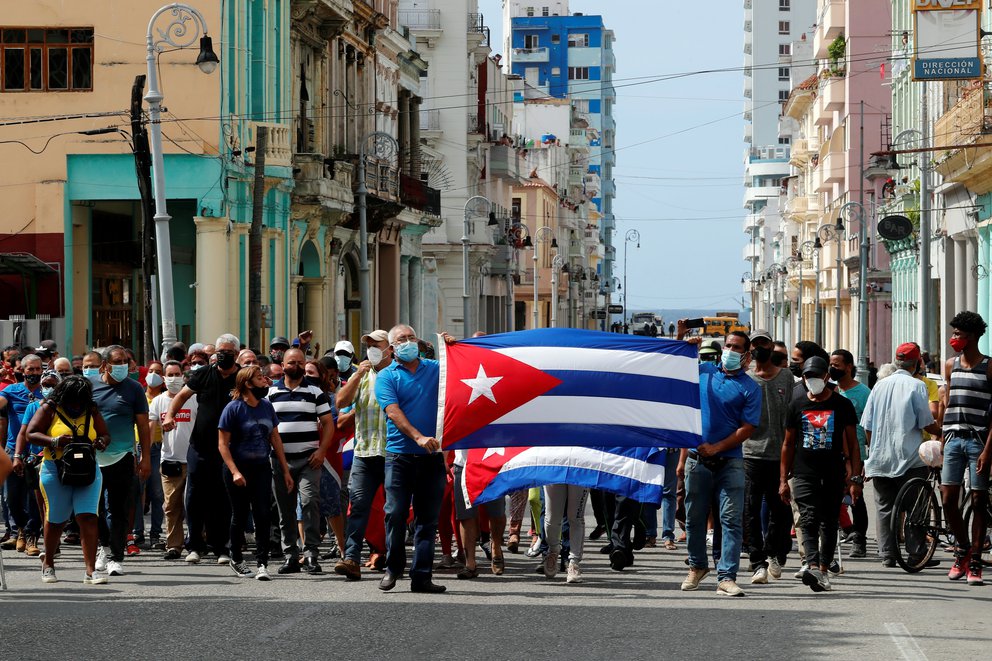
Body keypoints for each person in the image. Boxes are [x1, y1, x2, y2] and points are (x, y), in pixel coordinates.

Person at [677, 322, 761, 597]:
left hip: (730, 462)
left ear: (747, 355)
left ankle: (727, 576)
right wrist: (680, 339)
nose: (730, 351)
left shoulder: (750, 388)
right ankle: (697, 566)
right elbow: (671, 366)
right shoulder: (704, 372)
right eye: (728, 346)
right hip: (696, 459)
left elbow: (748, 428)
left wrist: (717, 447)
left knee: (730, 519)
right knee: (694, 517)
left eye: (737, 348)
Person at [374, 324, 449, 594]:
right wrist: (417, 436)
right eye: (401, 339)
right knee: (394, 514)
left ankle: (422, 576)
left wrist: (454, 348)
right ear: (392, 348)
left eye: (411, 337)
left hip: (432, 457)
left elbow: (462, 376)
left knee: (427, 519)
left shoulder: (436, 369)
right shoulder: (386, 376)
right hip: (400, 456)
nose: (408, 342)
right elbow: (393, 411)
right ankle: (393, 568)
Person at [779, 357, 863, 593]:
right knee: (807, 518)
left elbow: (853, 444)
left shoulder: (842, 405)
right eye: (808, 376)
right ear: (803, 378)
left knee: (828, 521)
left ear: (827, 377)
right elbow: (787, 444)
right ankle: (812, 564)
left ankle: (823, 570)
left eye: (817, 376)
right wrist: (783, 480)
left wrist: (855, 478)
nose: (812, 380)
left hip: (833, 473)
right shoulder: (796, 406)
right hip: (804, 473)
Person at [861, 343, 941, 569]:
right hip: (910, 460)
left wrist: (874, 449)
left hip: (881, 459)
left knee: (884, 507)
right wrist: (943, 433)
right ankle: (916, 553)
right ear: (917, 364)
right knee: (916, 507)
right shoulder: (917, 386)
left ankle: (887, 554)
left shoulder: (879, 386)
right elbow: (926, 423)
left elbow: (867, 425)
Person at [25, 375, 111, 584]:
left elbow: (105, 434)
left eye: (82, 401)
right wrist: (54, 440)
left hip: (88, 471)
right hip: (55, 470)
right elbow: (31, 433)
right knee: (56, 519)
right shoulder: (49, 408)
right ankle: (48, 564)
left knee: (88, 517)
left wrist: (101, 441)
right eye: (74, 400)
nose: (78, 405)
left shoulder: (91, 408)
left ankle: (91, 571)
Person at [164, 334, 240, 565]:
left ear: (236, 354)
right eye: (219, 352)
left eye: (227, 352)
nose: (222, 356)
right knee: (194, 497)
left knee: (223, 498)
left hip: (229, 449)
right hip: (200, 447)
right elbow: (182, 396)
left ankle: (221, 547)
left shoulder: (242, 378)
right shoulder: (203, 374)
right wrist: (169, 415)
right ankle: (194, 545)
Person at [218, 366, 294, 580]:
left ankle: (262, 563)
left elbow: (275, 439)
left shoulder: (267, 407)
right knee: (240, 515)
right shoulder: (233, 408)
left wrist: (285, 470)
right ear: (248, 383)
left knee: (263, 514)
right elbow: (222, 445)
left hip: (261, 467)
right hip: (238, 469)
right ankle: (236, 558)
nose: (265, 382)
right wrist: (234, 472)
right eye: (260, 378)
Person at [268, 348, 335, 575]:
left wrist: (322, 451)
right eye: (290, 362)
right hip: (280, 461)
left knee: (309, 502)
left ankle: (311, 555)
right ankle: (290, 556)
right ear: (283, 364)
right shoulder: (270, 393)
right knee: (284, 509)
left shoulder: (315, 392)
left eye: (298, 362)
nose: (294, 365)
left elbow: (328, 424)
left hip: (309, 460)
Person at [86, 346, 151, 577]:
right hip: (93, 459)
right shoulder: (90, 386)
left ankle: (116, 556)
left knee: (119, 509)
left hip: (123, 457)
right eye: (118, 361)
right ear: (104, 365)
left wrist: (145, 459)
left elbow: (143, 425)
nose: (123, 365)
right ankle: (102, 548)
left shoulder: (134, 389)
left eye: (125, 360)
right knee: (94, 510)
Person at [334, 330, 392, 580]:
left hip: (393, 454)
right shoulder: (362, 376)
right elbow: (340, 403)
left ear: (389, 348)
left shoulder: (396, 374)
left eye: (376, 345)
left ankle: (391, 555)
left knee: (394, 509)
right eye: (368, 345)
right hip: (364, 453)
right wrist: (357, 375)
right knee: (357, 506)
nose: (372, 349)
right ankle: (352, 558)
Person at [942, 311, 992, 585]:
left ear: (972, 337)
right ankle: (962, 549)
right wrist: (941, 437)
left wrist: (987, 451)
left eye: (959, 335)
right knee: (948, 499)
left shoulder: (989, 366)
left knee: (978, 500)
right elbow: (949, 401)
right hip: (952, 439)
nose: (954, 339)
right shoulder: (950, 365)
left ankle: (975, 561)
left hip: (978, 441)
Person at [743, 330, 794, 584]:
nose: (759, 348)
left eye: (763, 343)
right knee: (750, 510)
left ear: (771, 346)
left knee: (780, 510)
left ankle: (775, 551)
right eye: (755, 344)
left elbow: (793, 416)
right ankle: (757, 561)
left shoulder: (786, 377)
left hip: (781, 455)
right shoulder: (746, 378)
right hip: (751, 454)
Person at [149, 360, 197, 560]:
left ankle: (196, 542)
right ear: (163, 377)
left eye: (177, 374)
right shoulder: (158, 401)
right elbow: (151, 427)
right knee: (171, 505)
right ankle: (174, 545)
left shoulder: (194, 399)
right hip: (169, 460)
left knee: (193, 505)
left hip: (193, 460)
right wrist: (145, 453)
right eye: (170, 374)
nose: (174, 378)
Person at [0, 353, 44, 556]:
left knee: (35, 498)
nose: (35, 373)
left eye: (38, 369)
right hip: (13, 451)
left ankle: (31, 536)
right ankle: (20, 529)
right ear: (22, 371)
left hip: (40, 453)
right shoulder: (12, 391)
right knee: (12, 498)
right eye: (31, 369)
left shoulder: (49, 393)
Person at [829, 349, 872, 559]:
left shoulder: (863, 393)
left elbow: (870, 425)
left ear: (848, 366)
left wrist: (870, 455)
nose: (832, 368)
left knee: (856, 497)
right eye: (831, 364)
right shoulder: (832, 392)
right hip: (835, 452)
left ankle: (859, 540)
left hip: (857, 453)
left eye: (836, 365)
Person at [133, 361, 166, 552]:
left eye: (158, 372)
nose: (154, 375)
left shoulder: (166, 398)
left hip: (158, 448)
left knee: (157, 493)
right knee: (138, 491)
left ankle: (155, 534)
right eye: (151, 371)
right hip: (137, 447)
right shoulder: (140, 397)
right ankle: (138, 533)